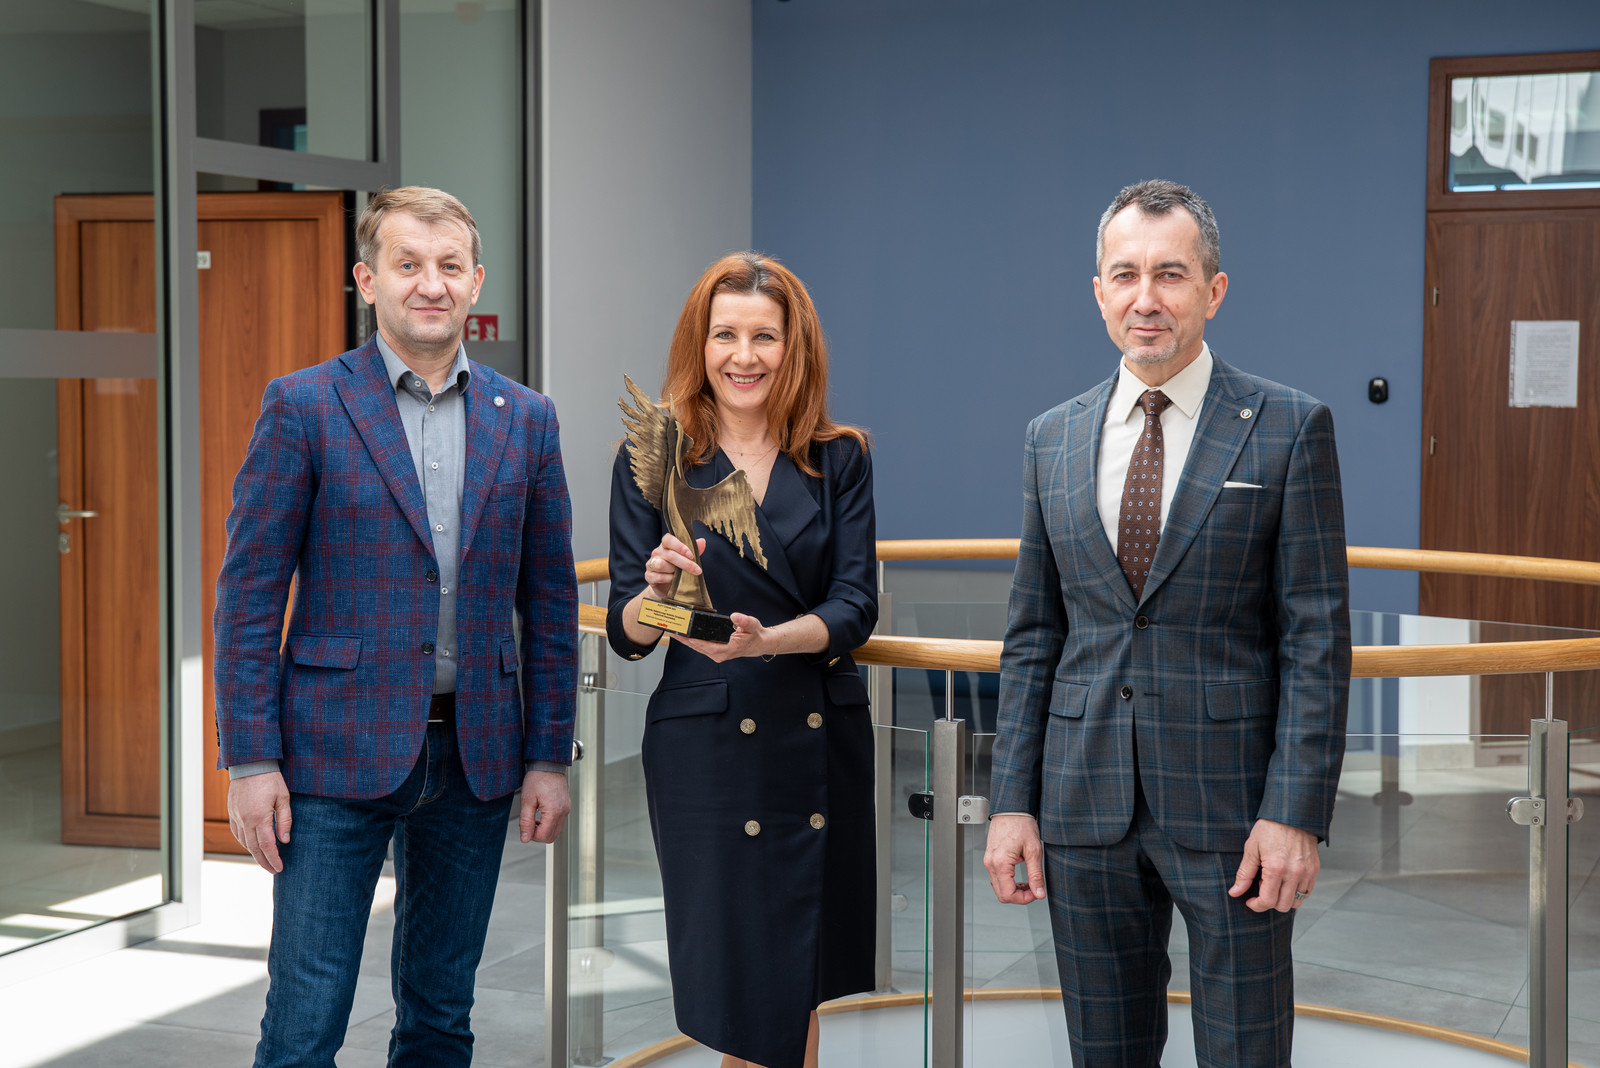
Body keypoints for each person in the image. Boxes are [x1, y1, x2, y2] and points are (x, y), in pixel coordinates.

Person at [983, 179, 1351, 1068]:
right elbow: (1034, 635)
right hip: (1082, 806)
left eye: (1171, 274)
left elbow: (1315, 638)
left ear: (1213, 290)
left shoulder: (1288, 427)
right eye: (1126, 275)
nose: (1145, 298)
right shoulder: (1050, 437)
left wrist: (1295, 812)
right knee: (1104, 1052)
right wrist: (1011, 803)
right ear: (1099, 292)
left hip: (1235, 814)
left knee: (1245, 1051)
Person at [214, 186, 577, 1067]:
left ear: (476, 282)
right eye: (407, 264)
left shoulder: (527, 419)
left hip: (475, 757)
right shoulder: (304, 405)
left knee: (441, 1016)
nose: (431, 284)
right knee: (304, 1024)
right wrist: (251, 762)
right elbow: (250, 595)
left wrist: (548, 756)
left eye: (450, 266)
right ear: (367, 280)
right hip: (330, 758)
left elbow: (551, 603)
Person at [607, 252, 877, 1068]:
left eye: (765, 336)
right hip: (710, 751)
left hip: (815, 736)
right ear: (700, 343)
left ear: (796, 348)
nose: (744, 355)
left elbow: (855, 605)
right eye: (725, 334)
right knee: (746, 983)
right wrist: (658, 592)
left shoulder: (840, 457)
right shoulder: (654, 454)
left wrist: (768, 640)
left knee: (800, 975)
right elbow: (630, 627)